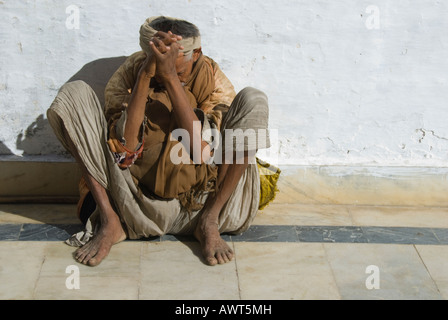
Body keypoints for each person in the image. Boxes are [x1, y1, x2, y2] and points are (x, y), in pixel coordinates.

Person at [47, 16, 273, 267]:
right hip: (134, 204)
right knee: (73, 95)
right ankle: (110, 223)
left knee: (254, 100)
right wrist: (145, 77)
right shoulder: (132, 72)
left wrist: (170, 80)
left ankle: (210, 222)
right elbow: (126, 152)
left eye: (180, 71)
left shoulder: (212, 78)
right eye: (160, 67)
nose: (166, 74)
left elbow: (201, 154)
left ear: (196, 53)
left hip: (203, 202)